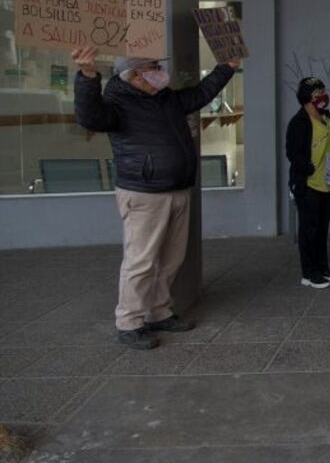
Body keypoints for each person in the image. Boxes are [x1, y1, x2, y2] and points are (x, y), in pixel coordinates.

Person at [71, 46, 238, 350]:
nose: (160, 71)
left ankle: (159, 311)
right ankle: (129, 321)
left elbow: (201, 94)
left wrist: (226, 67)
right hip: (144, 193)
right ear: (134, 75)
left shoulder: (166, 99)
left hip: (177, 189)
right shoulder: (116, 103)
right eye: (153, 67)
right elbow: (89, 116)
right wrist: (87, 75)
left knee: (170, 259)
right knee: (141, 261)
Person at [286, 77, 330, 289]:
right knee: (309, 229)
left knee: (321, 229)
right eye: (317, 92)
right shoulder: (299, 122)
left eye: (323, 89)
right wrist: (308, 168)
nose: (322, 94)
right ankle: (309, 273)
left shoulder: (326, 116)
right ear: (307, 96)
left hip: (328, 181)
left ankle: (323, 268)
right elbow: (293, 153)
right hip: (309, 183)